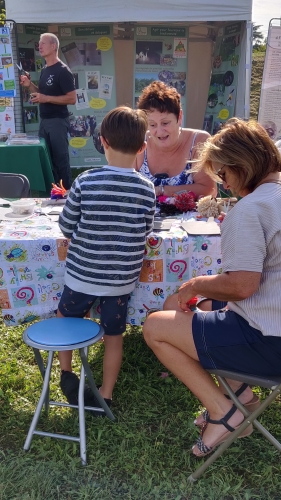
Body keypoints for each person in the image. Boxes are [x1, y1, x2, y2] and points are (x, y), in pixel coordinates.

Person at [143, 118, 281, 456]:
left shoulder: (253, 208)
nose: (224, 185)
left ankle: (223, 413)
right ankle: (240, 396)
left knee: (156, 325)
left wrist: (196, 284)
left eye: (224, 175)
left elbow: (242, 286)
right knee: (179, 303)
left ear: (242, 165)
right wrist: (198, 292)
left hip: (270, 344)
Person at [57, 106, 155, 412]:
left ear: (103, 142)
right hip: (119, 283)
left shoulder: (86, 181)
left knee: (66, 320)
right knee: (114, 337)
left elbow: (65, 225)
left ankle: (66, 372)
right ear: (142, 147)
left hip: (81, 277)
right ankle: (107, 392)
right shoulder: (146, 188)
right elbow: (147, 230)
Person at [135, 81, 216, 198]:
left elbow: (209, 190)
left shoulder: (199, 141)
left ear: (180, 117)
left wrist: (163, 191)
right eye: (152, 125)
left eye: (165, 123)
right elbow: (125, 185)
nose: (160, 131)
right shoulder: (138, 141)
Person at [19, 33, 76, 189]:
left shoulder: (63, 71)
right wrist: (30, 85)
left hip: (58, 121)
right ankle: (53, 195)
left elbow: (72, 98)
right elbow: (42, 93)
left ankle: (66, 197)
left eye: (43, 43)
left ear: (53, 46)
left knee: (60, 161)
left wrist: (45, 98)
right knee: (48, 161)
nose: (40, 46)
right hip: (45, 122)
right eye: (39, 43)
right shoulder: (44, 70)